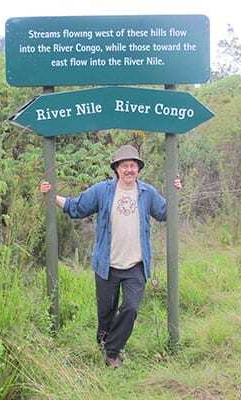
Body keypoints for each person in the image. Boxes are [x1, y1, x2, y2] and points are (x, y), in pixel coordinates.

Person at [40, 144, 182, 369]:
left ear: (138, 169)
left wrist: (175, 192)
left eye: (133, 165)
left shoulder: (147, 193)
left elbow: (165, 213)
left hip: (136, 265)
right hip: (107, 264)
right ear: (116, 169)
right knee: (105, 313)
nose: (129, 170)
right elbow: (77, 207)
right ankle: (104, 342)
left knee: (131, 308)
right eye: (124, 165)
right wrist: (51, 195)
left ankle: (112, 351)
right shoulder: (102, 191)